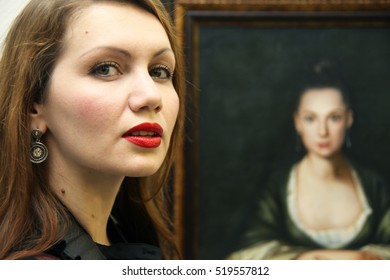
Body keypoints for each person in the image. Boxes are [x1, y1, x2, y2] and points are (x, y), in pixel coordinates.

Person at [0, 0, 185, 260]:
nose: (151, 96)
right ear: (34, 105)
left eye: (160, 71)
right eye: (106, 69)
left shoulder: (130, 243)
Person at [228, 63, 390, 260]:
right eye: (311, 118)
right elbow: (245, 258)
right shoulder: (279, 187)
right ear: (297, 122)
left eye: (334, 117)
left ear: (349, 119)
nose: (322, 131)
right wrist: (306, 259)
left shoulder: (373, 185)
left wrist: (364, 258)